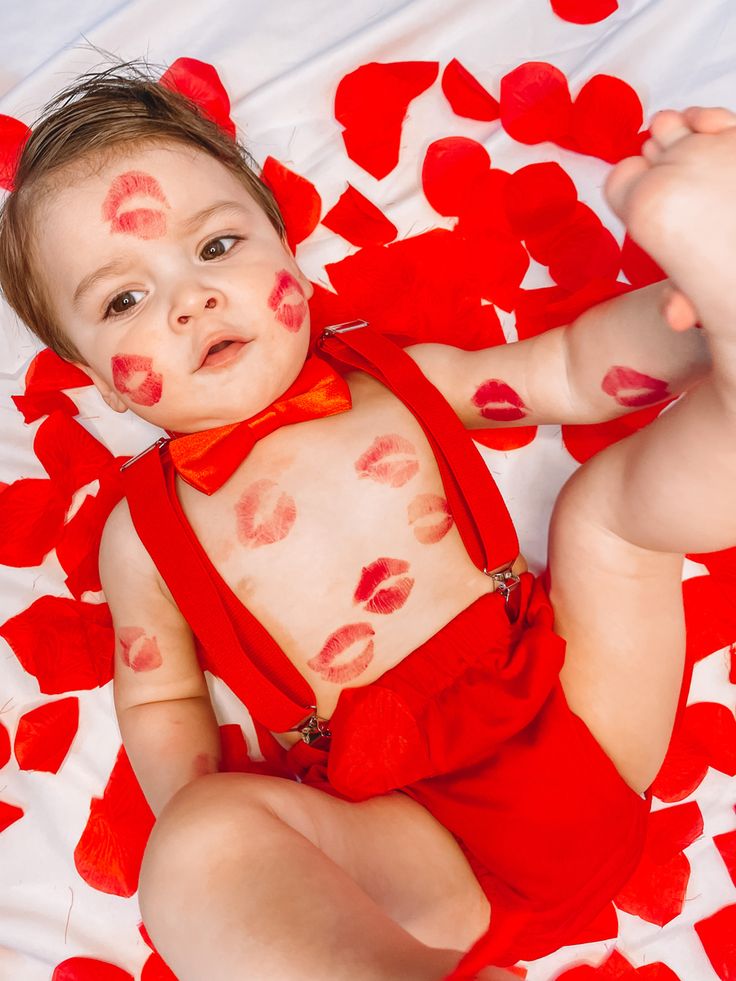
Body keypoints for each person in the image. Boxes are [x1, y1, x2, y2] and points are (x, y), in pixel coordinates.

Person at [0, 59, 730, 981]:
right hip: (418, 856)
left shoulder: (396, 377)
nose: (192, 300)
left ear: (285, 252)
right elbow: (159, 697)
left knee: (611, 516)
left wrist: (684, 319)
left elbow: (571, 370)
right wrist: (239, 848)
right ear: (102, 380)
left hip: (578, 713)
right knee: (198, 845)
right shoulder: (143, 534)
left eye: (217, 247)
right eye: (123, 300)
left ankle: (727, 332)